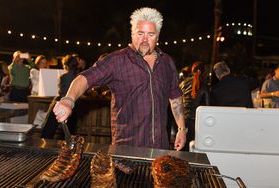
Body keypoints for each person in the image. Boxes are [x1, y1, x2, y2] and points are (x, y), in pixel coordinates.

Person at [53, 7, 187, 150]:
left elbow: (175, 97)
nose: (145, 40)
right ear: (132, 33)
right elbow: (85, 78)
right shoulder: (117, 60)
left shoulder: (167, 62)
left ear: (158, 36)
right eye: (140, 33)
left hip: (160, 150)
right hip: (126, 151)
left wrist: (181, 129)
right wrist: (68, 100)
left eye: (151, 34)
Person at [41, 55, 78, 139]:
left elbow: (61, 91)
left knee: (49, 128)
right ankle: (69, 147)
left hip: (60, 101)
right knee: (69, 129)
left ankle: (44, 144)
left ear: (65, 65)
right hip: (73, 104)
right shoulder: (78, 77)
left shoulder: (63, 76)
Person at [179, 61, 209, 151]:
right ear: (203, 72)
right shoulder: (204, 85)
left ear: (192, 71)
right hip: (197, 121)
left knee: (182, 148)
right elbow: (207, 105)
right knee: (194, 149)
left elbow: (178, 101)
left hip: (183, 120)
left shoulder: (183, 83)